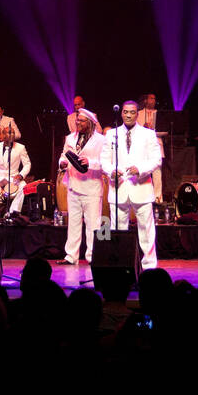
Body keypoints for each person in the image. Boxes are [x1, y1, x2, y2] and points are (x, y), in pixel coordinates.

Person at [100, 100, 162, 269]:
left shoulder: (148, 134)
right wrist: (111, 170)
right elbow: (104, 160)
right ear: (121, 113)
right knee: (117, 230)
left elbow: (156, 160)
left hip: (141, 187)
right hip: (118, 188)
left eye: (132, 112)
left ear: (137, 114)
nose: (128, 115)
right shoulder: (111, 134)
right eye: (125, 112)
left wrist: (140, 169)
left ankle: (149, 266)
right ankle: (119, 264)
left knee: (146, 230)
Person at [57, 109, 105, 265]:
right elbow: (64, 155)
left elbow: (106, 163)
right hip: (73, 185)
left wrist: (90, 163)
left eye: (82, 121)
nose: (78, 123)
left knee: (93, 224)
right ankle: (71, 256)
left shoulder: (101, 140)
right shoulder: (70, 138)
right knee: (74, 223)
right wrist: (62, 163)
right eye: (77, 120)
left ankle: (92, 256)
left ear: (90, 123)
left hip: (91, 187)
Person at [138, 93, 166, 203]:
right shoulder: (139, 114)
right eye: (151, 98)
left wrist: (153, 131)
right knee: (142, 172)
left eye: (154, 98)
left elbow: (165, 131)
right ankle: (142, 197)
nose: (153, 100)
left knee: (157, 173)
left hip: (156, 144)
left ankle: (158, 198)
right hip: (142, 146)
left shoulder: (159, 114)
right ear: (145, 100)